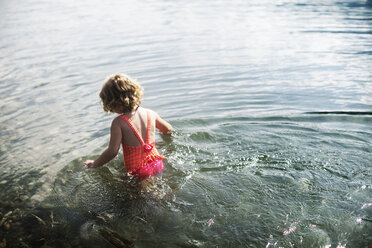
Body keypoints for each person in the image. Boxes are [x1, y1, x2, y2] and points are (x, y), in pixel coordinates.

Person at [84, 74, 172, 179]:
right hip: (157, 162)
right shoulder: (150, 113)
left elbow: (112, 151)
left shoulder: (119, 123)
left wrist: (95, 164)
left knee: (140, 194)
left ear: (113, 103)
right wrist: (165, 143)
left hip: (137, 170)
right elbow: (168, 129)